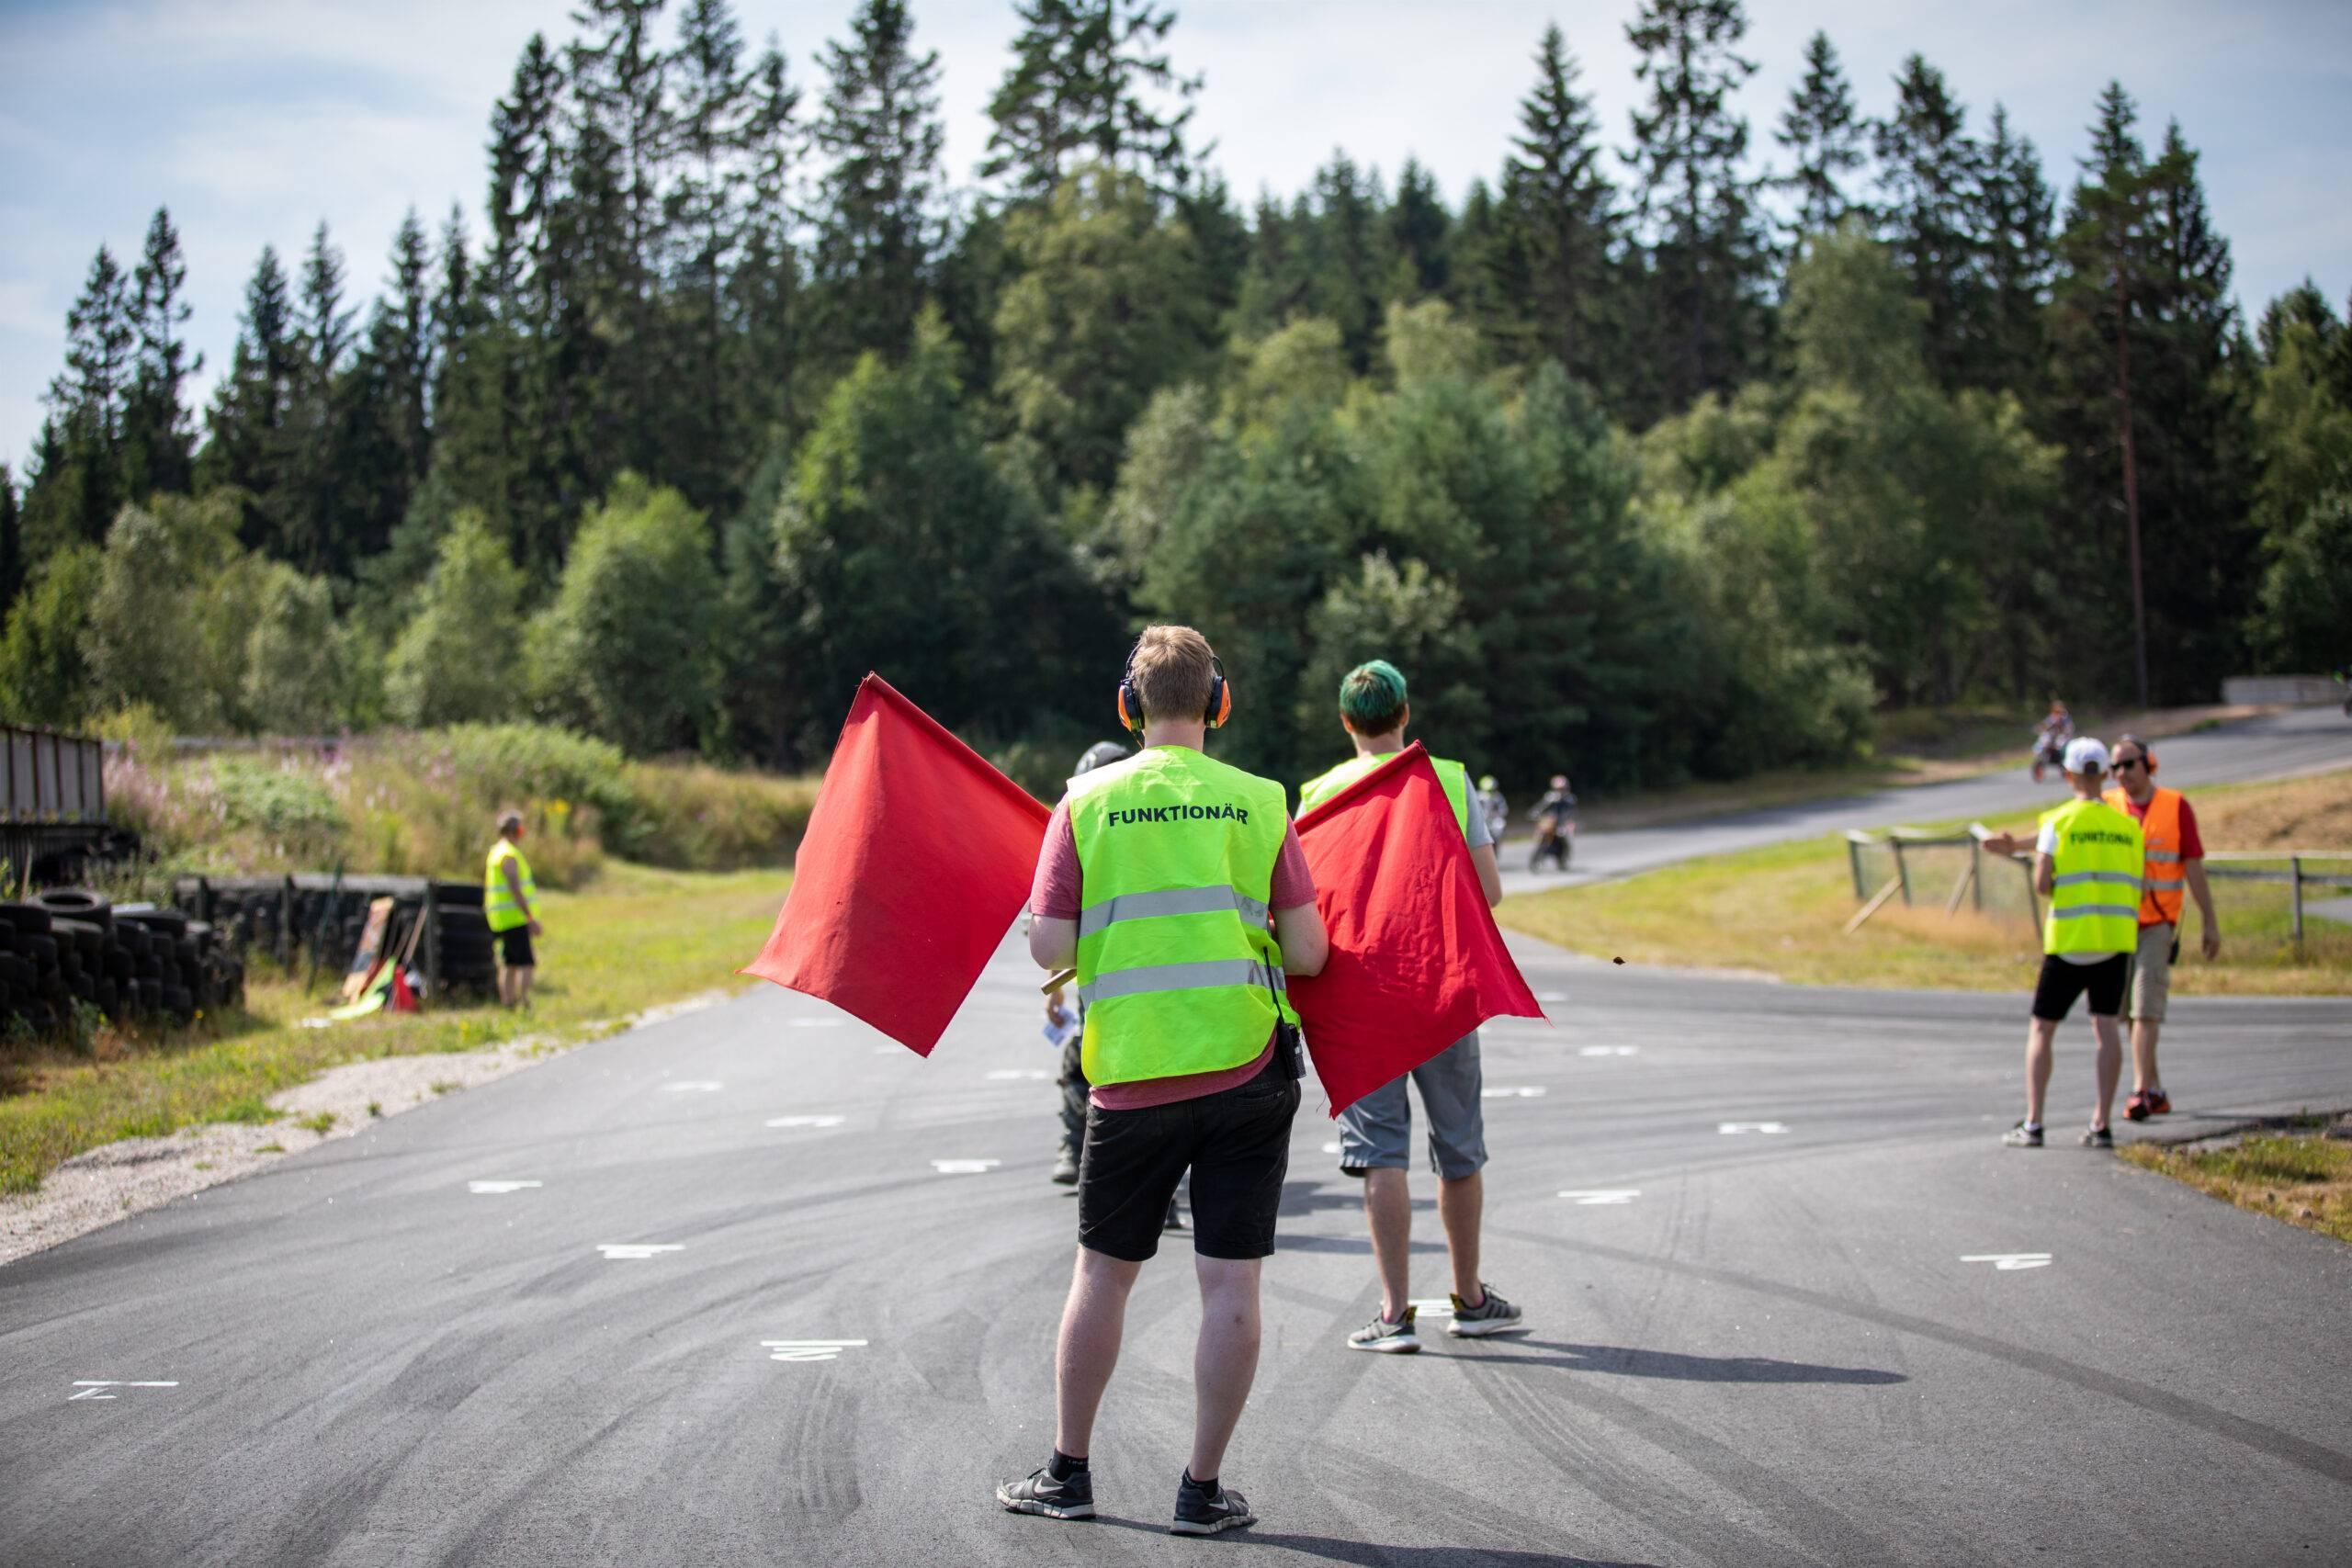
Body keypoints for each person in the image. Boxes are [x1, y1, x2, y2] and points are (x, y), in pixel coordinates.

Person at [999, 625, 1329, 1538]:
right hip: (1246, 1070)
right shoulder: (1259, 801)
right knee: (1231, 1287)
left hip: (1131, 1076)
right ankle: (1200, 1489)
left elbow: (1050, 949)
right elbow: (1307, 949)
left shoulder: (1083, 802)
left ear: (1126, 705)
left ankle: (1067, 1473)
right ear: (1217, 703)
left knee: (1101, 1278)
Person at [1297, 660, 1520, 1355]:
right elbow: (1490, 890)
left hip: (1361, 996)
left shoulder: (1316, 794)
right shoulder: (1447, 778)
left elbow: (1306, 901)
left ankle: (1394, 1314)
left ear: (1344, 722)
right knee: (1458, 1146)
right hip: (1440, 987)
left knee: (1379, 1154)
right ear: (1405, 714)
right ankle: (1469, 1296)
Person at [1982, 738, 2143, 1149]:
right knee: (2106, 1029)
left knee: (2042, 1029)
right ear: (2106, 774)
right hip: (2115, 941)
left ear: (2067, 775)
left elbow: (2042, 884)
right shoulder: (2128, 827)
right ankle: (2101, 1124)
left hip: (2069, 942)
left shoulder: (2057, 821)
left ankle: (2034, 1123)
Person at [2103, 735, 2222, 1121]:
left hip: (2157, 925)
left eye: (2129, 764)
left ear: (2148, 763)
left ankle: (2140, 1091)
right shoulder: (2107, 806)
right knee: (2126, 1015)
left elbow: (2193, 867)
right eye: (2115, 767)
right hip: (2116, 925)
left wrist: (2209, 920)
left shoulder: (2175, 806)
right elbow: (2062, 830)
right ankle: (2155, 1089)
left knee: (2146, 1008)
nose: (2122, 774)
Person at [484, 809, 540, 1010]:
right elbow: (515, 888)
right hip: (514, 917)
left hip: (501, 917)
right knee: (526, 962)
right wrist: (529, 916)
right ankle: (524, 1002)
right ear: (515, 830)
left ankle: (508, 1003)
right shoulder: (508, 855)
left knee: (509, 963)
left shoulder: (496, 851)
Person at [1529, 773, 1576, 872]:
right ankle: (1539, 856)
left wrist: (1568, 822)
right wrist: (1534, 813)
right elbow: (1541, 806)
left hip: (1562, 823)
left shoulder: (1569, 799)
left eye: (1562, 788)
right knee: (1541, 834)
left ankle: (1564, 856)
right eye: (1558, 789)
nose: (1560, 791)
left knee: (1564, 835)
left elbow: (1571, 813)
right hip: (1550, 822)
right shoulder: (1550, 797)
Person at [2031, 700, 2075, 783]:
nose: (2057, 713)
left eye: (2059, 711)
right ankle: (2042, 758)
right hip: (2053, 738)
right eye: (2056, 711)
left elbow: (2069, 729)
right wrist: (2039, 728)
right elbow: (2045, 725)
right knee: (2044, 741)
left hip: (2062, 737)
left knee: (2061, 745)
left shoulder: (2065, 718)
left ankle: (2063, 764)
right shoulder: (2052, 718)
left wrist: (2062, 729)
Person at [1476, 773, 1508, 844]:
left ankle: (1495, 841)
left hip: (1494, 820)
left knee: (1500, 824)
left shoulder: (1498, 797)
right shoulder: (1477, 796)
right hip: (1481, 820)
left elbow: (1504, 809)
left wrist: (1496, 813)